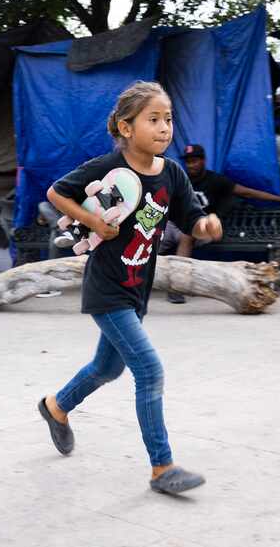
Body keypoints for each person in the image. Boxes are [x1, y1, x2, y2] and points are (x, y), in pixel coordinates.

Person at [39, 81, 222, 495]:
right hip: (107, 287)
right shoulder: (109, 167)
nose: (164, 128)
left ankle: (56, 407)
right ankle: (162, 468)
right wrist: (93, 222)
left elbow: (191, 216)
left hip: (138, 286)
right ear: (125, 127)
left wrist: (205, 225)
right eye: (153, 119)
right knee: (149, 370)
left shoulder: (172, 172)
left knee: (108, 368)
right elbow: (56, 193)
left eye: (168, 119)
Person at [160, 143, 280, 303]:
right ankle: (133, 281)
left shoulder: (215, 180)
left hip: (204, 228)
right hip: (176, 225)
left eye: (195, 160)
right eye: (189, 161)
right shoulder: (180, 179)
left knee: (187, 234)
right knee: (151, 238)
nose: (191, 164)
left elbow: (247, 192)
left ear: (203, 161)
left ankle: (177, 286)